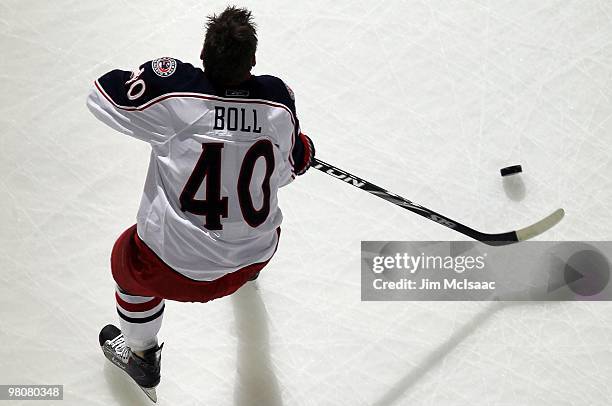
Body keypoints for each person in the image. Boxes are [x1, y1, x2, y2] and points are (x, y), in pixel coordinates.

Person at [86, 6, 314, 402]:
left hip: (175, 273)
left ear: (204, 56)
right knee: (257, 227)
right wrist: (301, 146)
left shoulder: (175, 95)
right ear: (253, 61)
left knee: (127, 260)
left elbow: (101, 96)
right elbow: (292, 168)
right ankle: (247, 275)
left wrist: (159, 78)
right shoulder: (278, 102)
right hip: (252, 259)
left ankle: (142, 355)